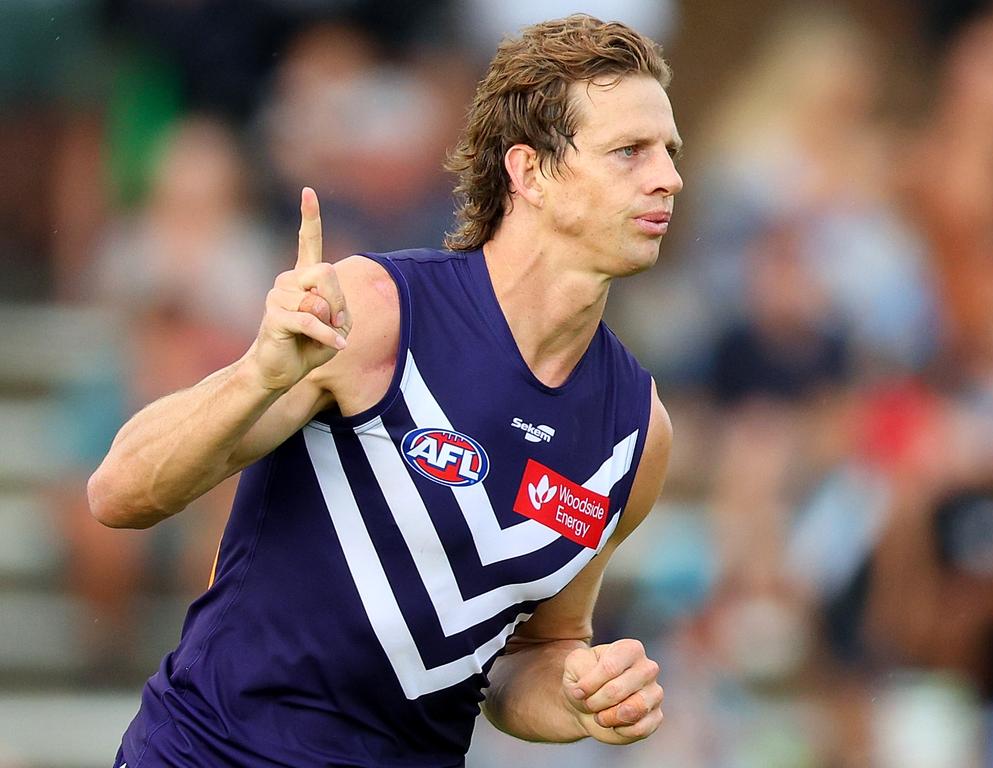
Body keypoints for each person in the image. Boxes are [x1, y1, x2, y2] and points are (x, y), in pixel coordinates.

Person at [88, 14, 682, 767]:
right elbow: (118, 495)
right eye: (629, 152)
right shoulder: (375, 311)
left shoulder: (635, 429)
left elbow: (533, 652)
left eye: (668, 151)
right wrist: (256, 377)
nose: (667, 176)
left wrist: (575, 693)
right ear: (529, 172)